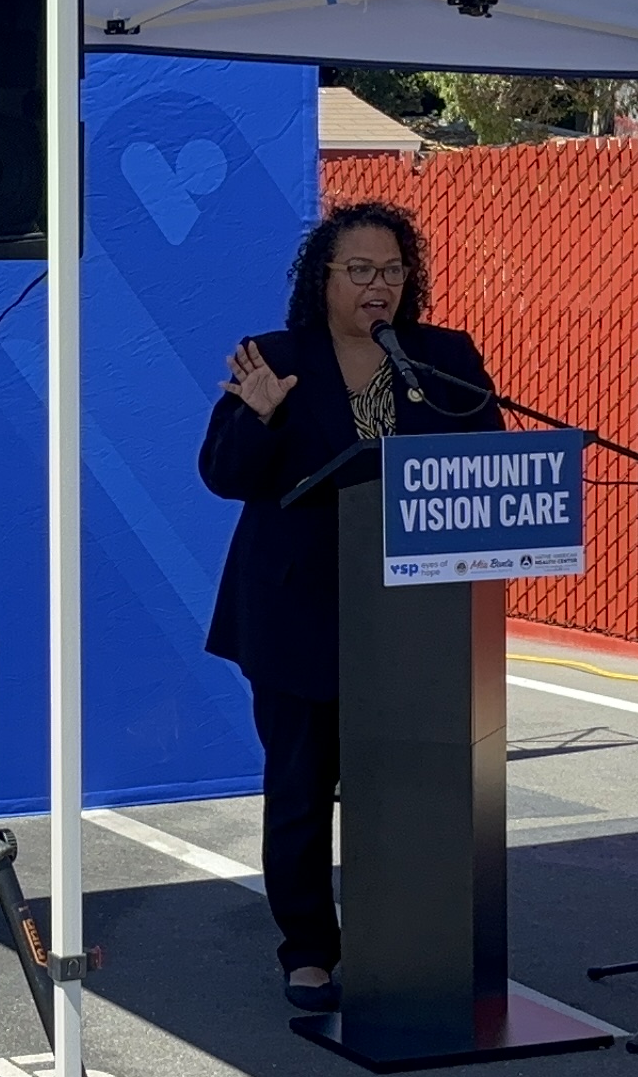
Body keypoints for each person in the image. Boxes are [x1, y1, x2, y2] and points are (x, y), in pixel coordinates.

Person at [200, 200, 504, 1010]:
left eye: (394, 271)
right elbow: (224, 476)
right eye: (361, 270)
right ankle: (308, 948)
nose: (380, 286)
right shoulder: (272, 356)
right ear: (323, 277)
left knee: (405, 788)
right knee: (301, 788)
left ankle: (401, 935)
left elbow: (488, 466)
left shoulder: (442, 356)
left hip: (412, 613)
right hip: (297, 610)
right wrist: (259, 415)